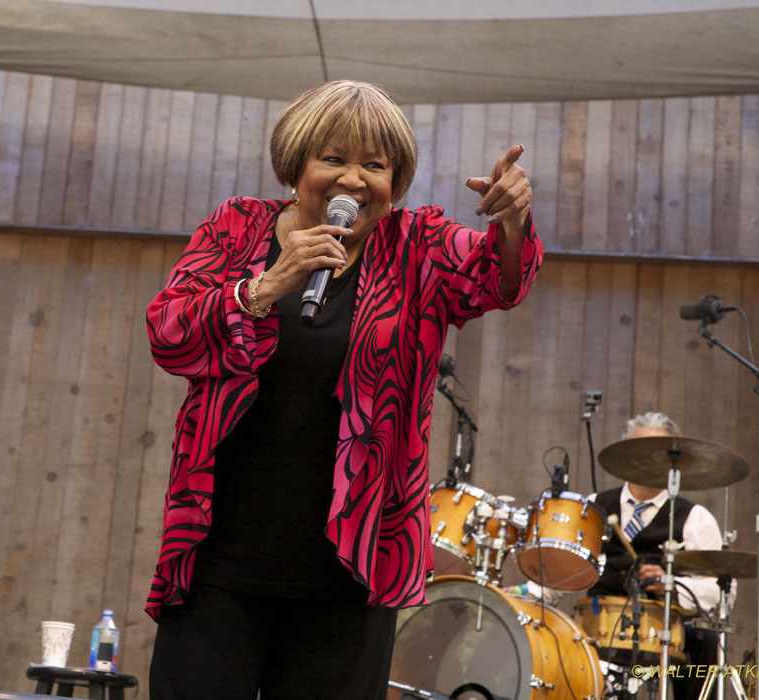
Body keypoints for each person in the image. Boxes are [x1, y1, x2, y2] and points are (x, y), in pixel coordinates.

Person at [144, 80, 543, 700]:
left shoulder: (418, 247)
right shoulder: (236, 230)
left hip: (352, 573)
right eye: (333, 158)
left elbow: (497, 279)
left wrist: (513, 221)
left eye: (374, 165)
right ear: (297, 165)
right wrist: (266, 286)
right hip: (218, 566)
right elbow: (169, 336)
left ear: (396, 180)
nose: (352, 180)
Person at [511, 411, 732, 699]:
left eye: (659, 453)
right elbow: (568, 571)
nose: (648, 459)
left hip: (663, 633)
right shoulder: (594, 506)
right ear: (624, 454)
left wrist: (671, 584)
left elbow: (721, 591)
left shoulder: (695, 518)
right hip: (595, 627)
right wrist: (521, 592)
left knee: (707, 644)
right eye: (639, 450)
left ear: (673, 461)